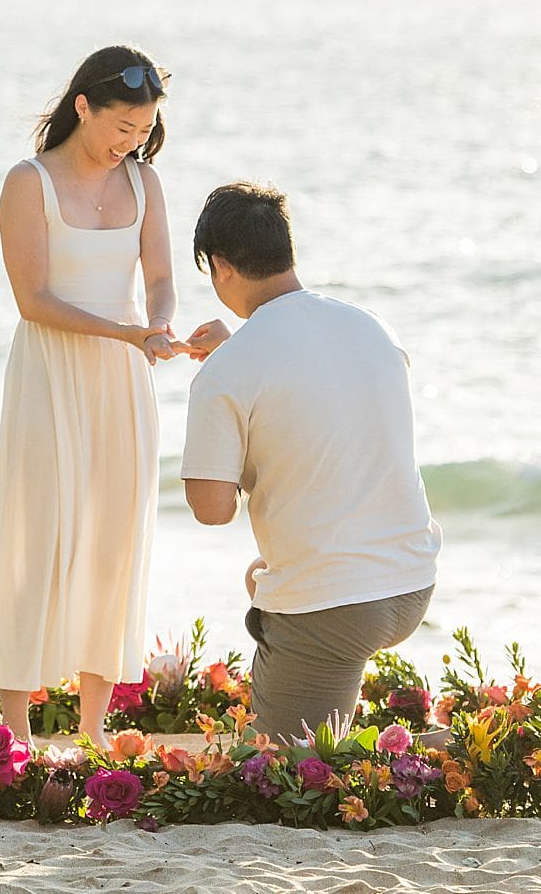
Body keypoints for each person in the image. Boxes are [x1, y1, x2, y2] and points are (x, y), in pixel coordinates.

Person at [181, 181, 441, 743]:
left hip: (335, 604)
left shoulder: (225, 373)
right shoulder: (371, 328)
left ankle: (455, 748)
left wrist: (223, 389)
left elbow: (211, 508)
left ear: (220, 266)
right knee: (266, 578)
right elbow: (320, 394)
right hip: (411, 579)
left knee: (285, 770)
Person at [0, 44, 182, 748]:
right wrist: (125, 334)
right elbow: (33, 300)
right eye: (121, 126)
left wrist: (157, 322)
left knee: (112, 544)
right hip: (50, 373)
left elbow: (158, 275)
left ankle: (93, 729)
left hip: (123, 382)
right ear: (83, 107)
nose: (131, 142)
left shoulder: (146, 184)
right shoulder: (26, 182)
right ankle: (14, 729)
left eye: (143, 129)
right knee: (37, 538)